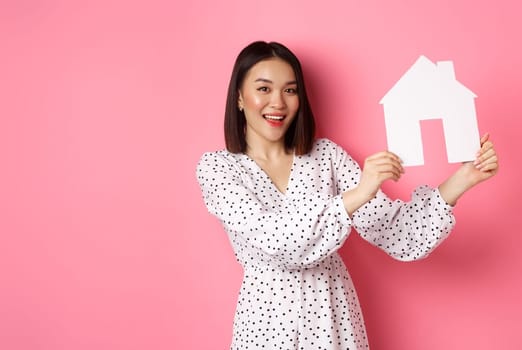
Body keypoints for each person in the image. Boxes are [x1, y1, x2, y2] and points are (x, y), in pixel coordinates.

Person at [196, 41, 498, 349]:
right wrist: (358, 193)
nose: (278, 102)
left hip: (331, 317)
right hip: (265, 322)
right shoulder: (218, 169)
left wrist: (464, 178)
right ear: (239, 98)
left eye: (290, 90)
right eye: (263, 89)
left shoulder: (325, 156)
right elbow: (277, 238)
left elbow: (397, 232)